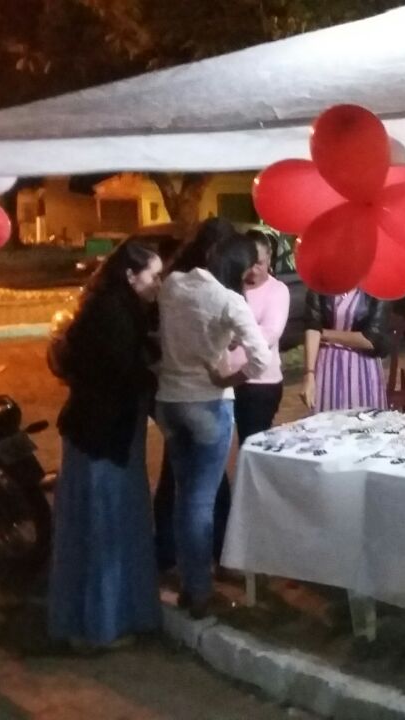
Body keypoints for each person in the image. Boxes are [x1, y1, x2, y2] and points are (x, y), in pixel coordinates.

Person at [48, 241, 164, 649]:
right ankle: (102, 626)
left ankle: (88, 621)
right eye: (154, 276)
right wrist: (156, 374)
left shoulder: (109, 306)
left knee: (93, 526)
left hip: (97, 433)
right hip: (103, 437)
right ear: (131, 276)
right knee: (105, 529)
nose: (159, 285)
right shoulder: (113, 314)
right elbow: (120, 374)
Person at [156, 231, 272, 619]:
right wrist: (227, 379)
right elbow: (260, 360)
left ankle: (190, 582)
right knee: (200, 501)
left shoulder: (172, 285)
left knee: (183, 494)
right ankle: (200, 592)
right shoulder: (228, 300)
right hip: (207, 403)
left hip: (169, 401)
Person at [211, 230, 290, 560]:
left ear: (270, 260)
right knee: (218, 457)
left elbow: (270, 334)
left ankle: (257, 528)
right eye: (250, 262)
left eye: (261, 262)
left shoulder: (278, 290)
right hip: (221, 381)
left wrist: (235, 334)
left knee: (251, 453)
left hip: (260, 383)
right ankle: (226, 530)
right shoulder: (230, 286)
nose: (255, 269)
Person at [301, 287, 393, 413]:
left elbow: (372, 339)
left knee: (363, 418)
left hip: (362, 367)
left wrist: (324, 333)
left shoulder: (377, 291)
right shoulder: (319, 287)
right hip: (327, 365)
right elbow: (312, 326)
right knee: (326, 417)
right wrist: (309, 374)